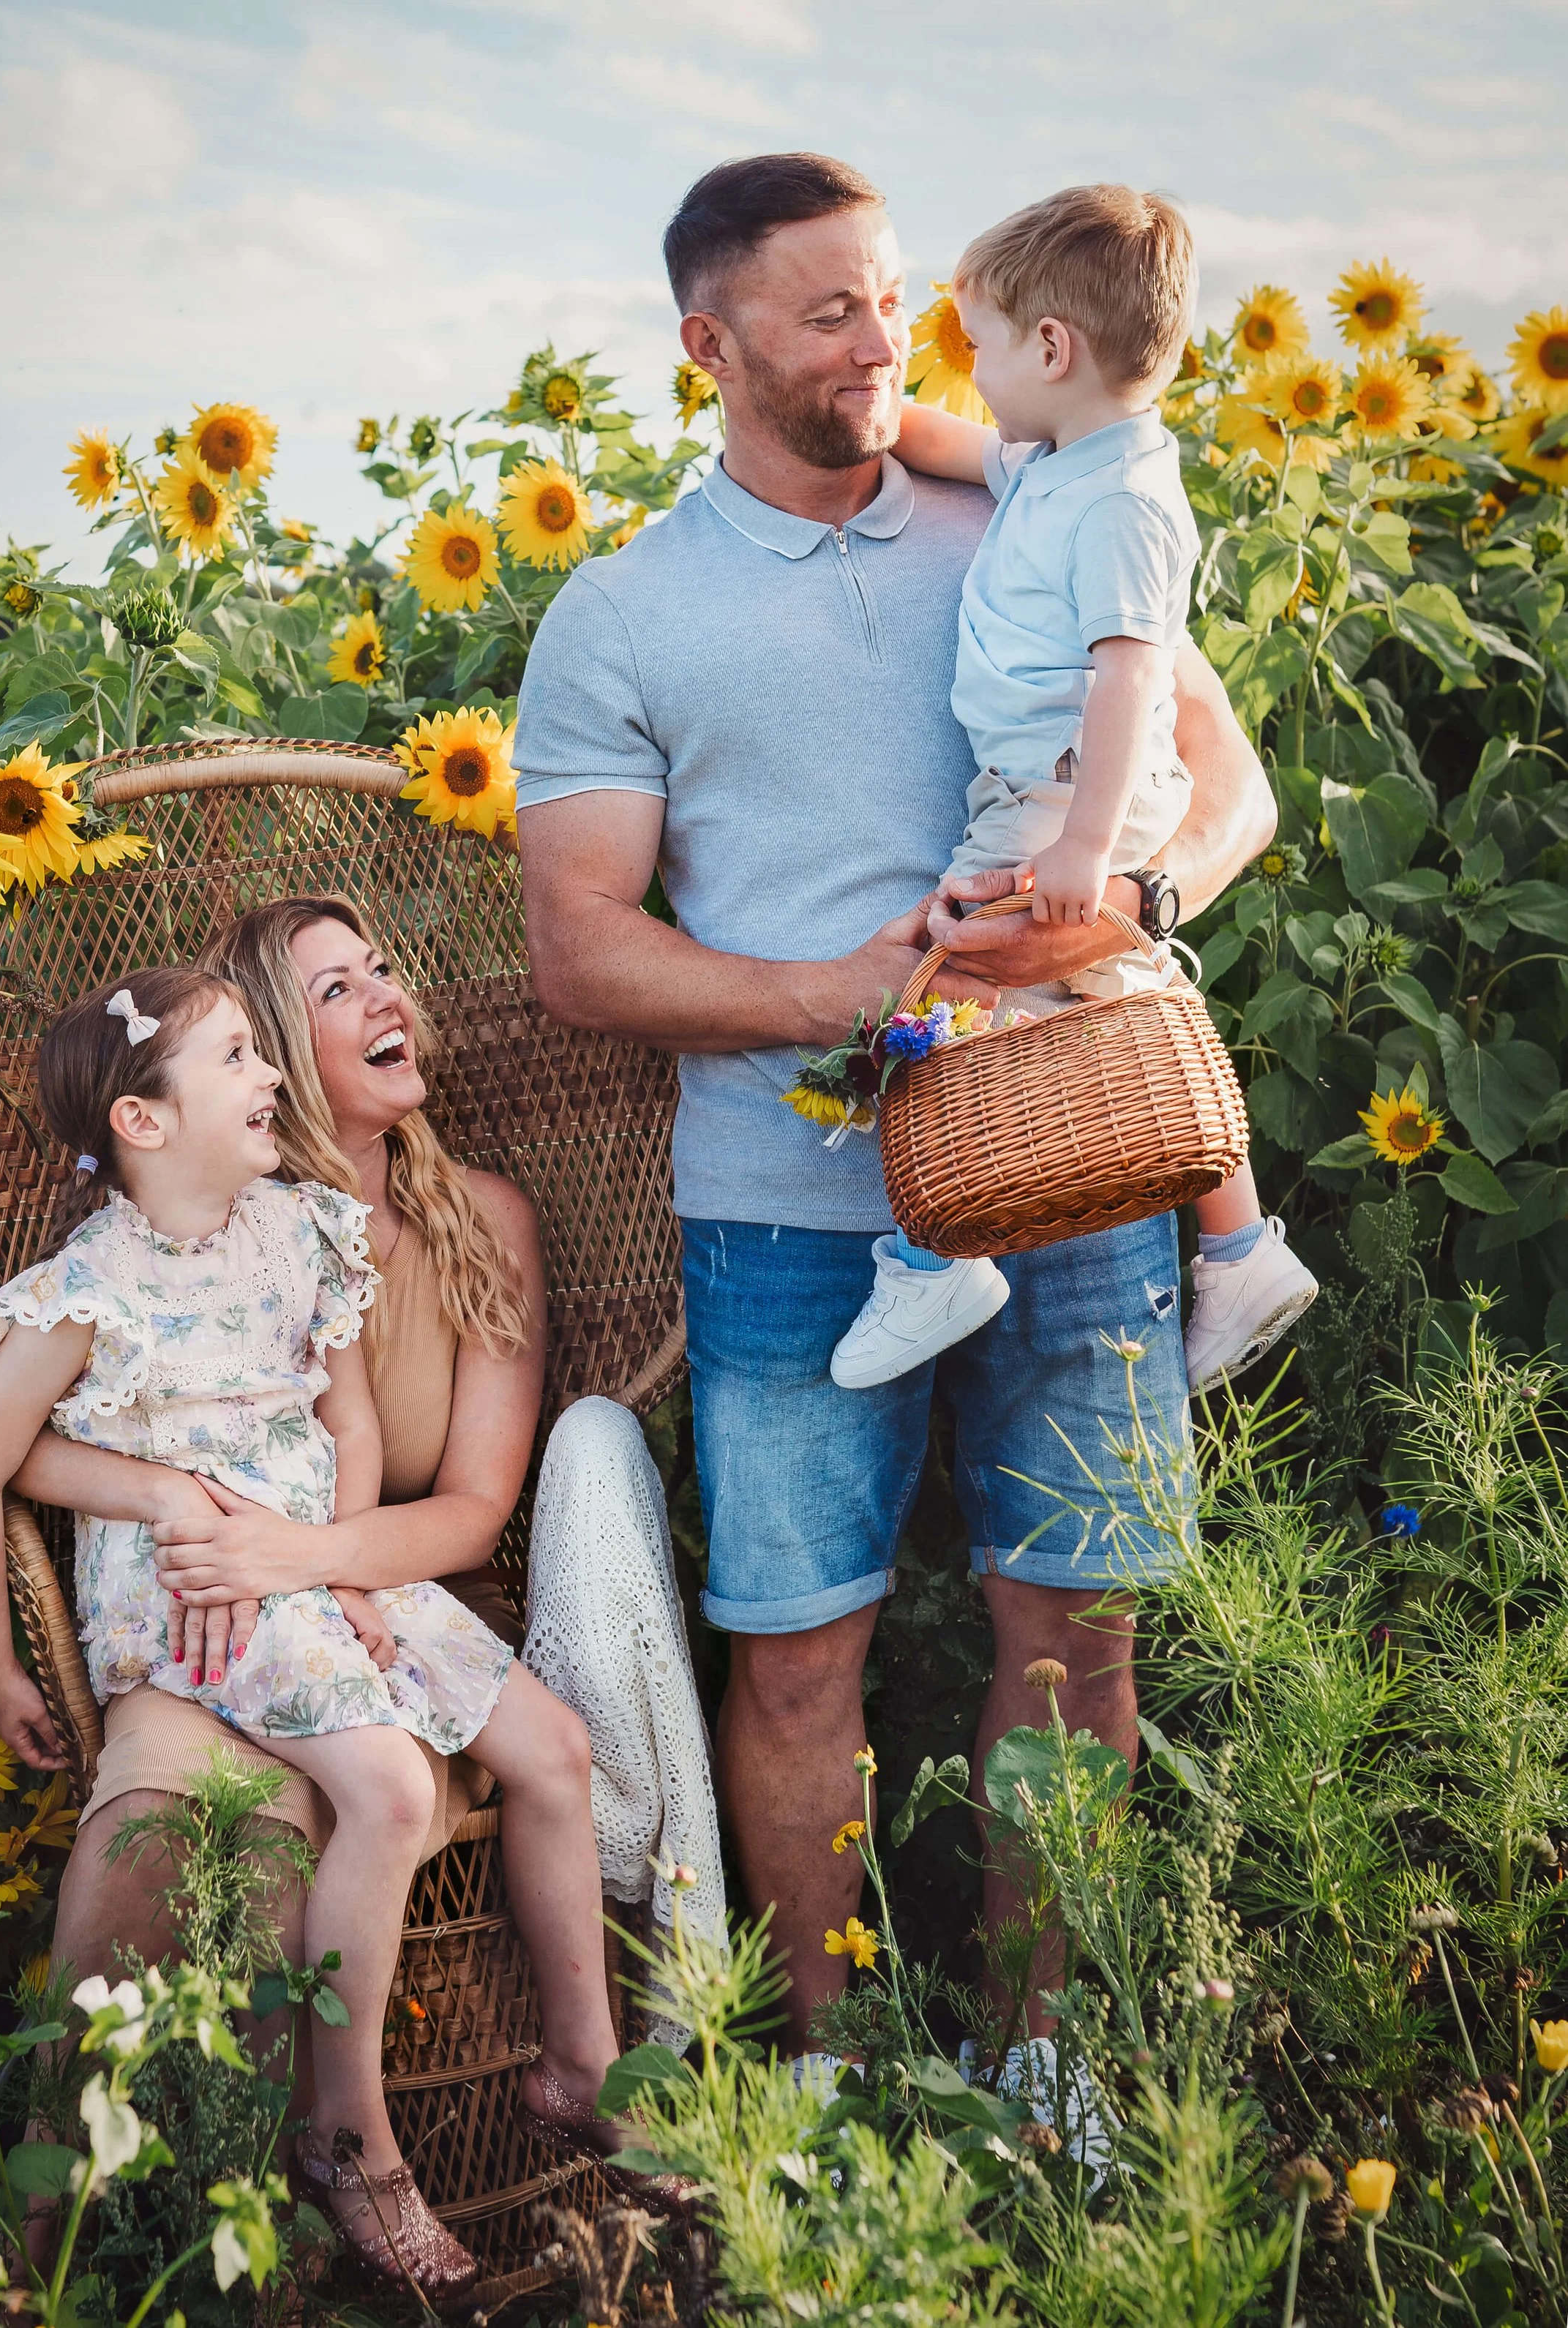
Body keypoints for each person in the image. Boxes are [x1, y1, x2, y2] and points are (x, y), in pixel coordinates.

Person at [513, 152, 1278, 2076]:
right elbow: (581, 954)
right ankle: (839, 2084)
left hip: (1073, 1165)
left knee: (1074, 1634)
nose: (879, 341)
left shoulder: (1022, 500)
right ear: (711, 344)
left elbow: (1221, 783)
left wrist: (1134, 900)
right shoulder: (619, 616)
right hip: (784, 1206)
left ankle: (1057, 2069)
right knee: (793, 1656)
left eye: (887, 299)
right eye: (827, 309)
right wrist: (838, 994)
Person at [0, 901, 715, 2286]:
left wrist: (332, 1563)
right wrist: (147, 1524)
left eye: (382, 971)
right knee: (284, 1816)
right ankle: (278, 2175)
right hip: (213, 1592)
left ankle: (582, 2063)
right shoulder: (117, 1268)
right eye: (318, 999)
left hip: (331, 1568)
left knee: (558, 1748)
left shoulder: (330, 1239)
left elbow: (398, 1462)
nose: (371, 1005)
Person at [825, 182, 1316, 1396]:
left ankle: (944, 1248)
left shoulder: (1125, 504)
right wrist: (870, 414)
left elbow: (1130, 678)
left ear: (1054, 347)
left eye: (980, 346)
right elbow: (956, 444)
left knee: (959, 963)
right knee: (1117, 985)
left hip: (1059, 786)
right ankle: (1240, 1248)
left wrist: (1087, 848)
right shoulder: (1062, 459)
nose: (970, 370)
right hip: (1048, 780)